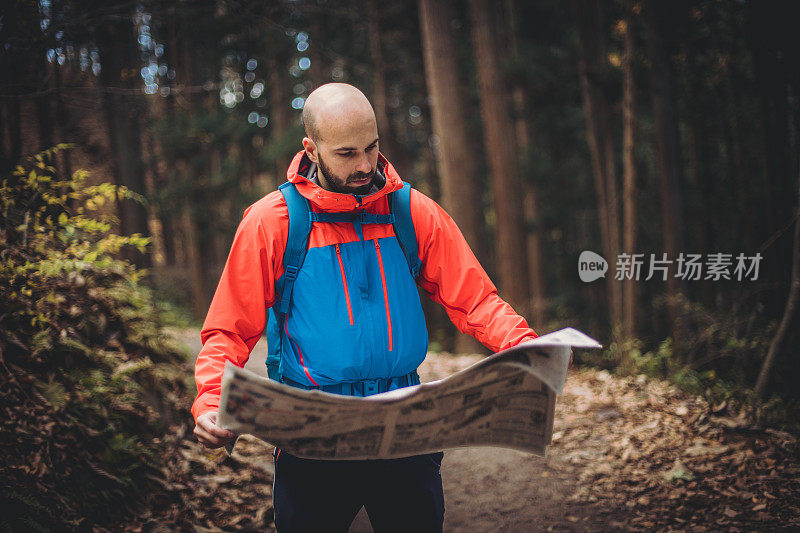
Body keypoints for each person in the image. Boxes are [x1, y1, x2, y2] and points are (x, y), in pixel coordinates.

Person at [192, 83, 539, 532]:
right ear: (311, 149)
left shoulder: (411, 211)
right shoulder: (272, 222)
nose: (363, 165)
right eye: (346, 153)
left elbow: (475, 299)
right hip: (312, 438)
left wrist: (527, 346)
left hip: (405, 431)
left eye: (372, 148)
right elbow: (228, 330)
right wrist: (210, 400)